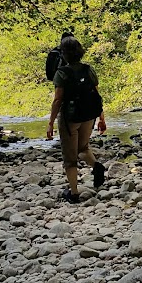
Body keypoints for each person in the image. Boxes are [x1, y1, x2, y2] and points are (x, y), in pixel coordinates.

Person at [46, 36, 107, 203]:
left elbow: (58, 100)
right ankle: (96, 166)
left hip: (70, 117)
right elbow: (96, 94)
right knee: (83, 147)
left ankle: (73, 193)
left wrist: (50, 122)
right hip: (89, 115)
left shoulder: (61, 73)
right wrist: (101, 117)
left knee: (70, 157)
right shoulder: (88, 69)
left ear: (63, 54)